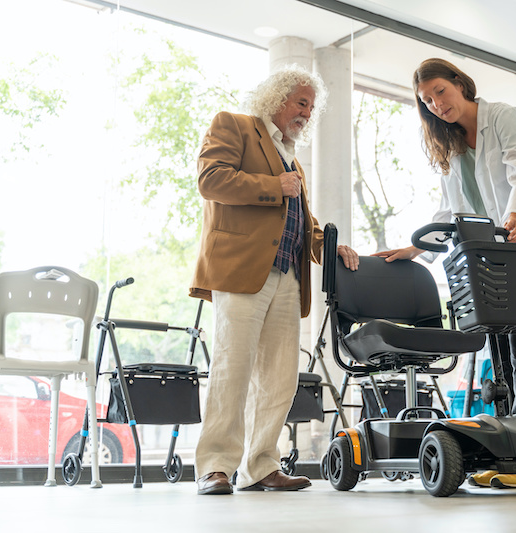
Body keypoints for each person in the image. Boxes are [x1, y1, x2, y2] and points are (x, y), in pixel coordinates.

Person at [374, 58, 516, 489]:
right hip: (486, 255)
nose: (437, 104)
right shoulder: (452, 146)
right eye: (427, 101)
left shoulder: (504, 119)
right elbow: (451, 208)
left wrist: (514, 215)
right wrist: (415, 247)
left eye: (440, 91)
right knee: (494, 338)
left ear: (460, 84)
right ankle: (504, 442)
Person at [190, 65, 359, 495]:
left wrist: (328, 245)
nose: (307, 111)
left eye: (311, 106)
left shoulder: (293, 158)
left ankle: (260, 464)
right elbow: (210, 180)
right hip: (243, 269)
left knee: (280, 376)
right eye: (301, 101)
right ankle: (216, 467)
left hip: (287, 277)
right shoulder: (235, 126)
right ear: (276, 97)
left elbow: (303, 221)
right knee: (233, 368)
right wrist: (273, 185)